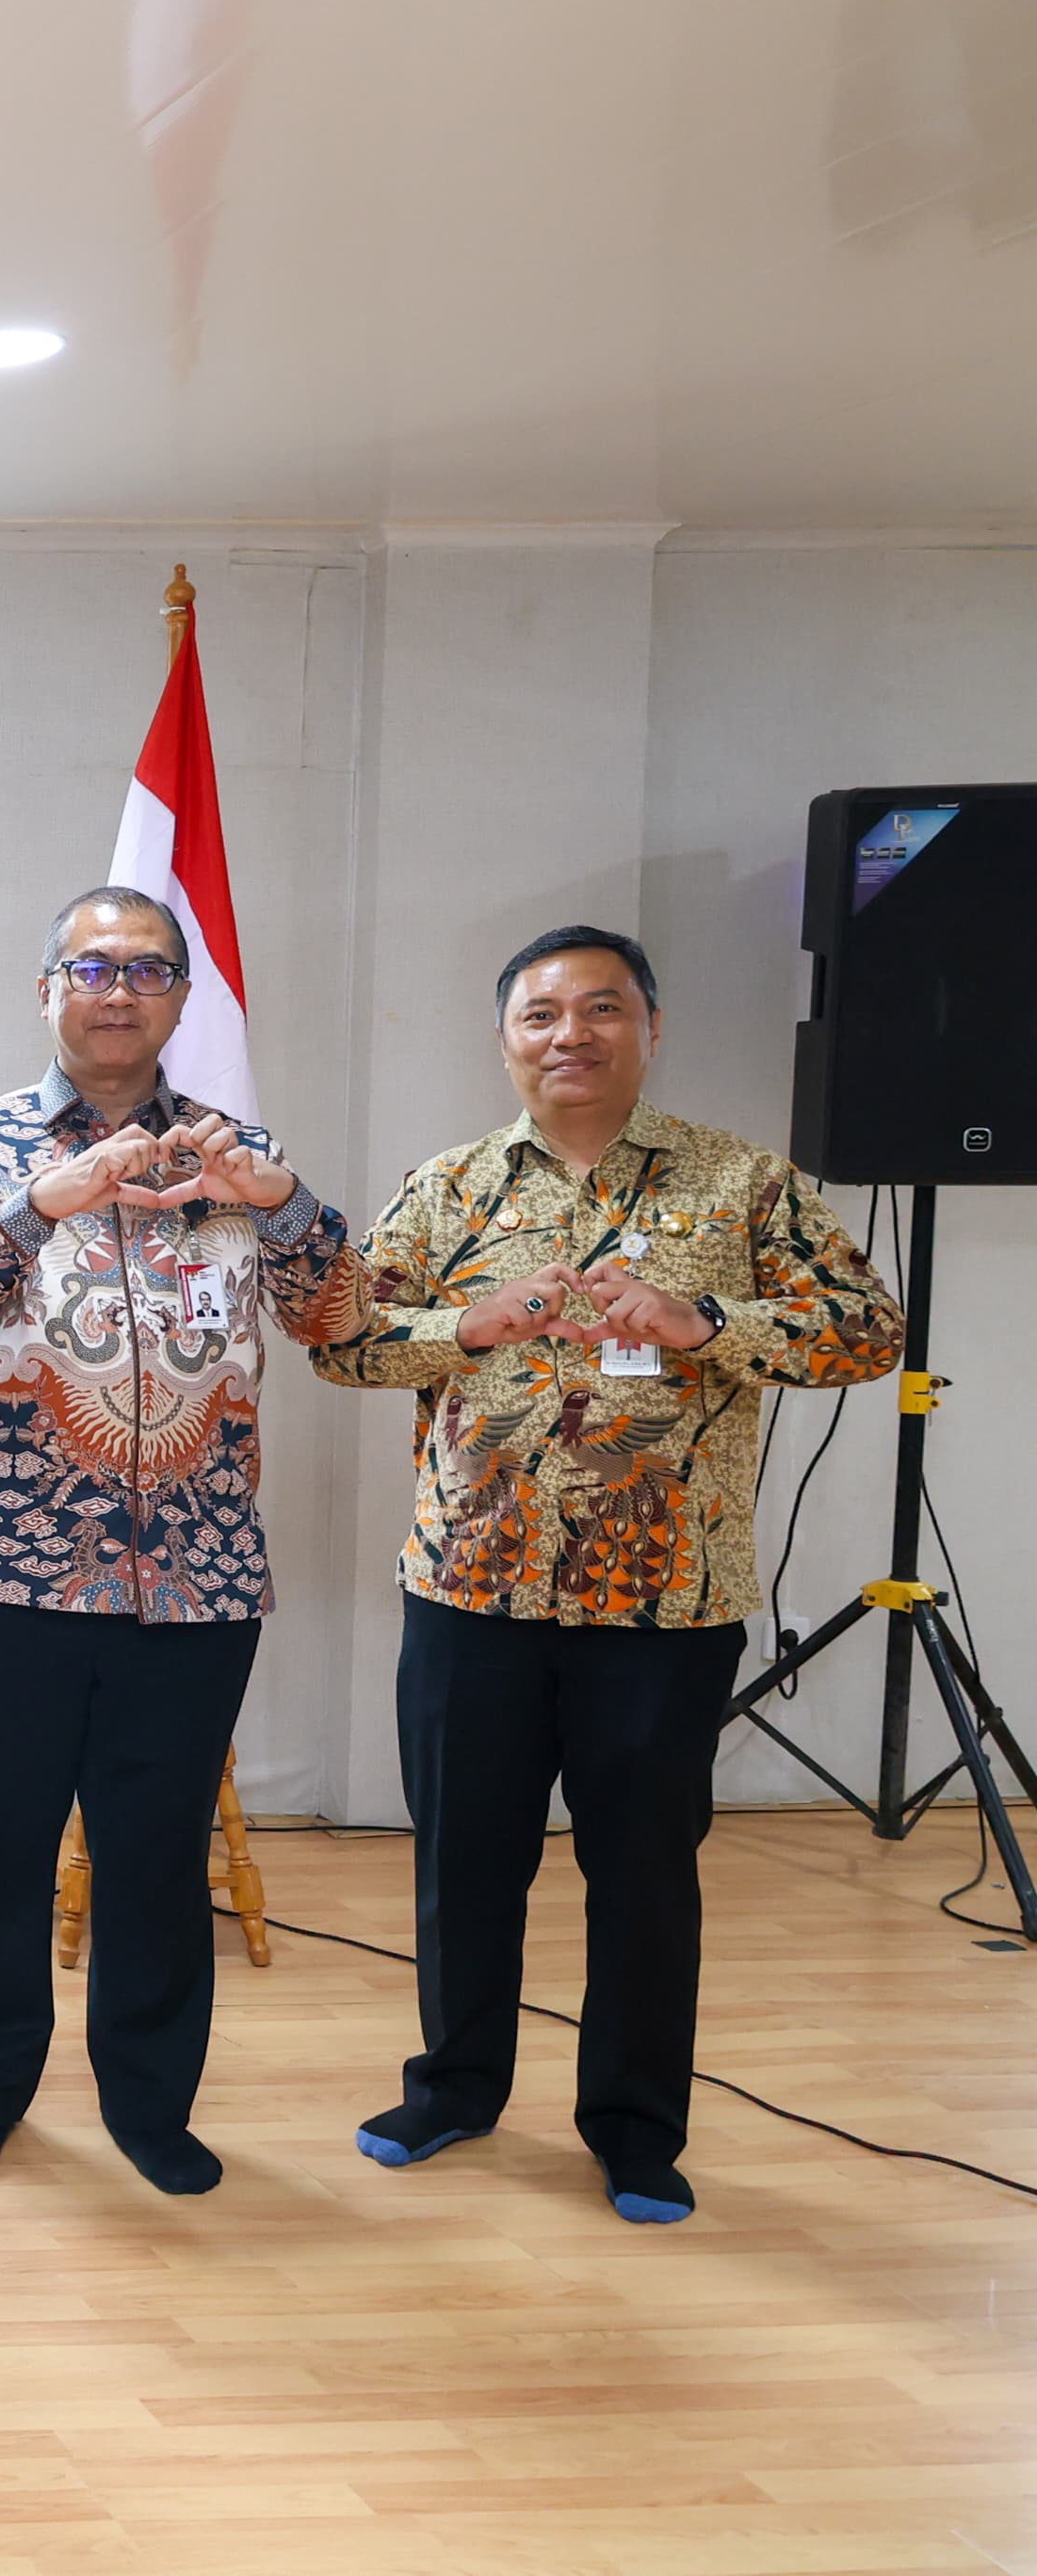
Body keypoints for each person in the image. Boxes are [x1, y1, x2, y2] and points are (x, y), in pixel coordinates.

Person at [313, 926, 903, 2224]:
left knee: (643, 1873)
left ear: (649, 1026)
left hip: (665, 1602)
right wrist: (461, 1323)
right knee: (465, 1862)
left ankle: (635, 2127)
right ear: (507, 1036)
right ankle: (454, 2087)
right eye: (541, 1013)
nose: (569, 1033)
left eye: (602, 1008)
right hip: (471, 1592)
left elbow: (868, 1330)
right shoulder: (450, 1187)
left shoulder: (745, 1185)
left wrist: (708, 1324)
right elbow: (345, 1344)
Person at [0, 885, 366, 2197]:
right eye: (91, 966)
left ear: (180, 998)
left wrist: (278, 1201)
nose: (117, 988)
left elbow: (340, 1319)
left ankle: (152, 2103)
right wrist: (49, 1200)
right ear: (45, 988)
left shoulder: (235, 1148)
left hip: (198, 1569)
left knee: (158, 1854)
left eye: (147, 969)